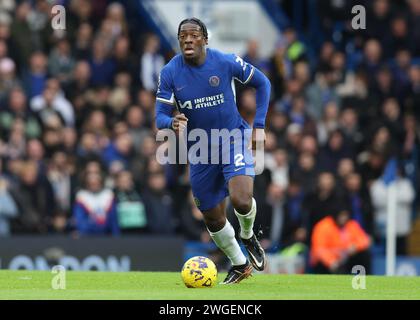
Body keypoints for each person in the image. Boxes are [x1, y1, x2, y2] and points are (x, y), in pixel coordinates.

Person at [155, 18, 271, 284]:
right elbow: (159, 116)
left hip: (232, 138)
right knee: (211, 216)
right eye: (182, 35)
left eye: (193, 35)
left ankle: (248, 233)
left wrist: (260, 125)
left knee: (241, 199)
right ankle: (240, 264)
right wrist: (170, 122)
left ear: (205, 39)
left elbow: (263, 83)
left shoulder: (225, 61)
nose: (187, 39)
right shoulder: (170, 72)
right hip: (200, 149)